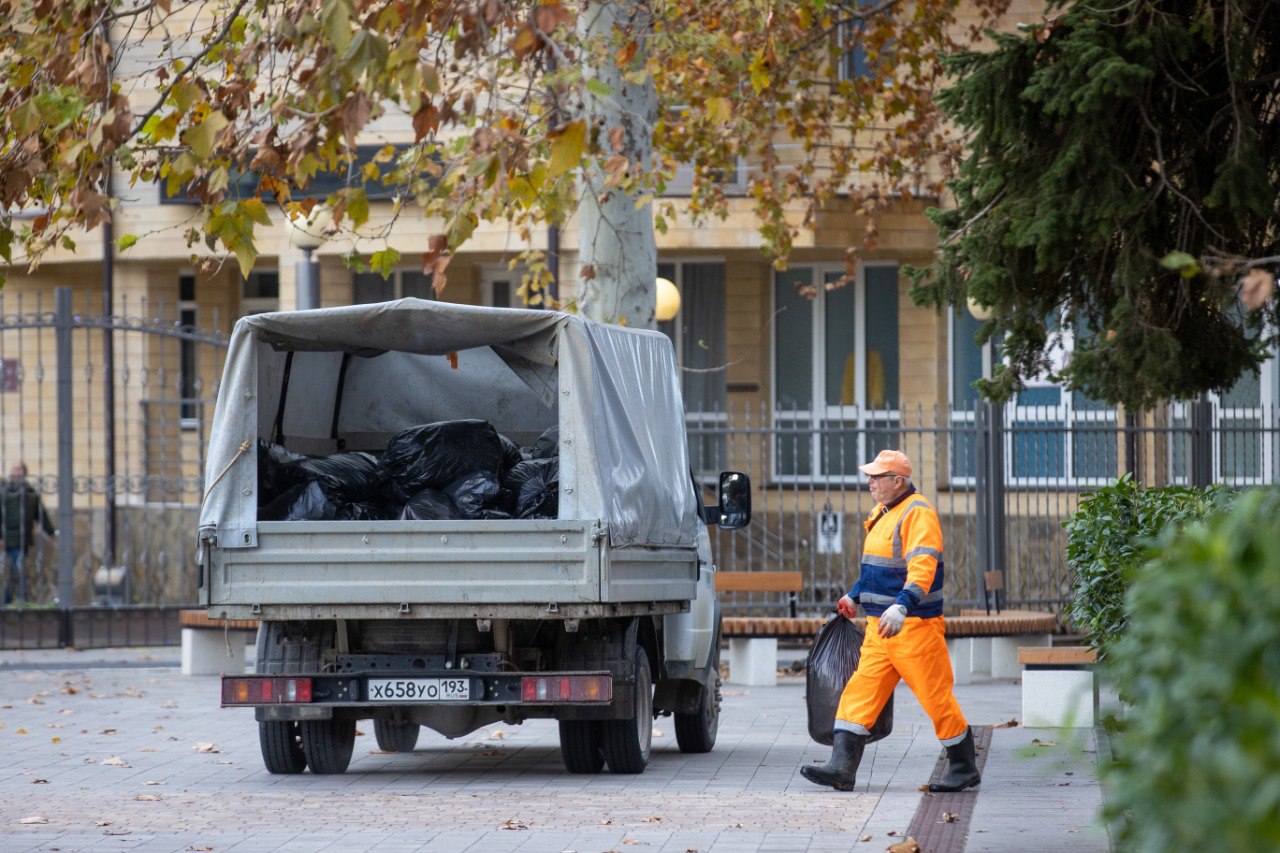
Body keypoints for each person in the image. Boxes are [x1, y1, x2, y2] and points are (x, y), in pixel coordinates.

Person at [802, 449, 980, 793]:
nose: (870, 482)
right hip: (880, 629)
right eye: (869, 475)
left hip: (914, 628)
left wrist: (903, 606)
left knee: (935, 698)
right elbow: (878, 568)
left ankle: (963, 766)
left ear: (897, 481)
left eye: (877, 477)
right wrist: (854, 595)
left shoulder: (918, 513)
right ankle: (841, 767)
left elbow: (922, 566)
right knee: (859, 692)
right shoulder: (885, 512)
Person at [1, 462, 56, 605]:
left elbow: (41, 514)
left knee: (15, 571)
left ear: (25, 474)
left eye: (20, 470)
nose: (17, 472)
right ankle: (13, 602)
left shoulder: (30, 494)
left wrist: (50, 532)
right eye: (15, 469)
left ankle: (10, 603)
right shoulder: (3, 492)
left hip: (21, 539)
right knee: (14, 572)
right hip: (6, 539)